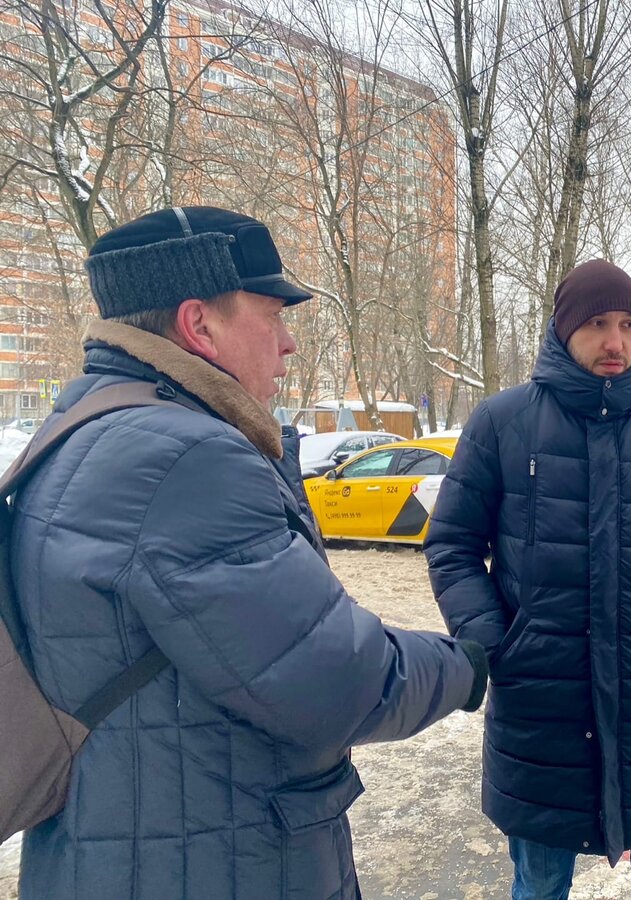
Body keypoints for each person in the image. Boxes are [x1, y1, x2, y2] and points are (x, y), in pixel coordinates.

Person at [11, 206, 489, 899]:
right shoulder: (184, 458)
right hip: (218, 859)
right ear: (198, 325)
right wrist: (464, 666)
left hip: (123, 844)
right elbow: (333, 678)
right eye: (272, 316)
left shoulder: (84, 431)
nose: (289, 344)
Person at [424, 259, 631, 899]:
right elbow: (453, 546)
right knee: (539, 887)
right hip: (541, 709)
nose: (615, 342)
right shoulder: (501, 423)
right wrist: (496, 642)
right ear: (563, 328)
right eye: (598, 323)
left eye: (628, 324)